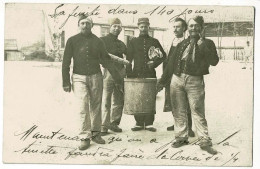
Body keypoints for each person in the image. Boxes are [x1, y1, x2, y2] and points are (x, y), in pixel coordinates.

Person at [157, 16, 219, 155]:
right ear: (188, 28)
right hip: (176, 79)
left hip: (195, 80)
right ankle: (181, 137)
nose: (193, 28)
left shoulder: (208, 43)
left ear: (202, 28)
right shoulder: (182, 43)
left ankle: (204, 140)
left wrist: (202, 43)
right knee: (178, 110)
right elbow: (171, 64)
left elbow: (214, 61)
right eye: (191, 26)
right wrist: (162, 82)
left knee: (197, 110)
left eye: (196, 26)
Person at [62, 15, 123, 150]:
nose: (85, 26)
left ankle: (96, 134)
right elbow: (66, 62)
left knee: (96, 105)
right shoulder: (72, 41)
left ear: (92, 25)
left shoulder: (98, 41)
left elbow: (106, 60)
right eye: (82, 23)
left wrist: (118, 78)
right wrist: (66, 81)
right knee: (82, 106)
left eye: (87, 23)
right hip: (78, 78)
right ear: (79, 25)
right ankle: (84, 137)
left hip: (96, 77)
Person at [126, 17, 166, 132]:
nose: (143, 28)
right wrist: (129, 74)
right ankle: (138, 122)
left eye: (146, 26)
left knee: (149, 98)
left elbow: (163, 56)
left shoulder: (154, 41)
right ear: (138, 27)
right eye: (141, 26)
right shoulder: (133, 41)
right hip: (136, 73)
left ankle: (149, 123)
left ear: (149, 27)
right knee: (137, 98)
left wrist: (154, 63)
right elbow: (128, 59)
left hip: (150, 73)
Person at [163, 18, 195, 137]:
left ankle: (189, 127)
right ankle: (177, 123)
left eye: (178, 27)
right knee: (174, 101)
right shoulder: (172, 41)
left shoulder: (187, 42)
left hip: (182, 75)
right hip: (170, 74)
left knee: (185, 102)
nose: (175, 29)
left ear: (184, 28)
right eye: (174, 27)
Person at [101, 18, 127, 135]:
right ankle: (103, 126)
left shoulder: (121, 44)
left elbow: (128, 56)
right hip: (108, 72)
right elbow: (101, 57)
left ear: (121, 29)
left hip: (121, 72)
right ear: (109, 27)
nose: (116, 28)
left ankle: (114, 123)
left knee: (118, 99)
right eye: (114, 26)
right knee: (106, 99)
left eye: (118, 26)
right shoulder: (102, 41)